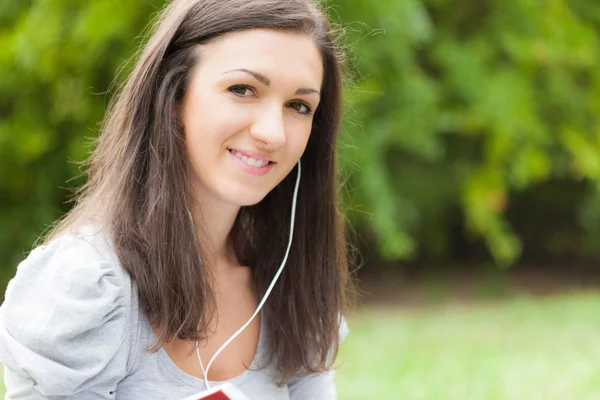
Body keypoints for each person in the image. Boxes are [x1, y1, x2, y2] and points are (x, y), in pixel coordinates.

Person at [0, 0, 353, 398]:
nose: (274, 133)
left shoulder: (289, 284)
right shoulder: (87, 287)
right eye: (243, 89)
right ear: (172, 96)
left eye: (299, 106)